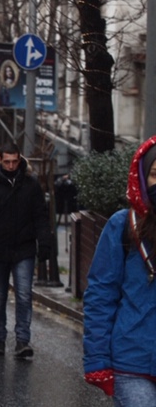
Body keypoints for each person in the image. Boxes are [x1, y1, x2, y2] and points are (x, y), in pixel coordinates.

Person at [83, 137, 156, 404]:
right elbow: (101, 295)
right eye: (155, 174)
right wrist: (97, 360)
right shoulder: (123, 225)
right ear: (142, 177)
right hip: (132, 362)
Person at [0, 142, 50, 358]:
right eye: (7, 161)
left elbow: (40, 217)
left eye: (14, 161)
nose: (10, 165)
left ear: (19, 159)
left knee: (24, 295)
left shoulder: (30, 185)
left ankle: (22, 340)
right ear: (0, 160)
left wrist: (44, 243)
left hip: (24, 248)